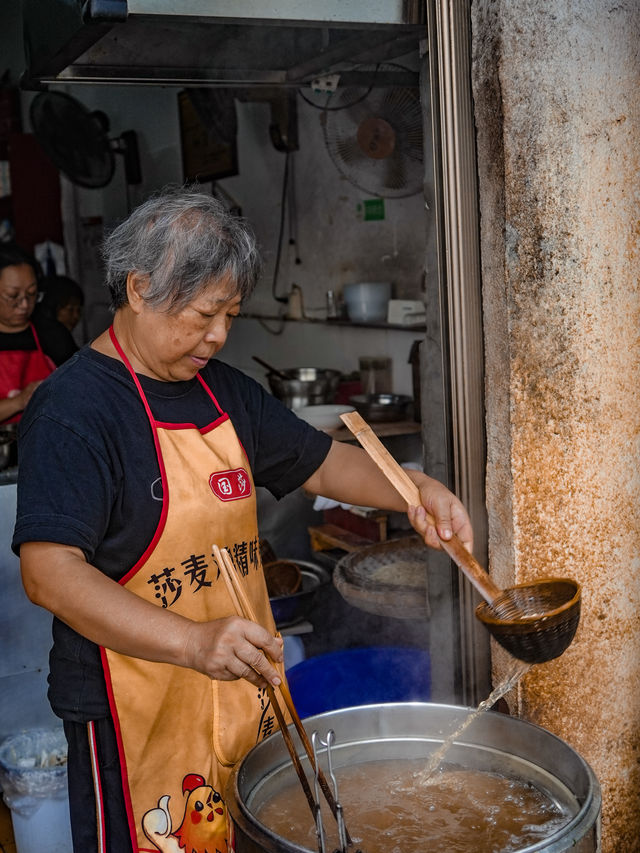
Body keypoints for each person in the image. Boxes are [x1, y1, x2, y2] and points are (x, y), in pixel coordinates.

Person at [13, 188, 473, 853]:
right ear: (139, 289)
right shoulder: (72, 410)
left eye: (230, 313)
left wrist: (413, 488)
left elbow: (322, 462)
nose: (221, 334)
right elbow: (49, 573)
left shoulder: (223, 389)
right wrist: (194, 642)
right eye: (205, 313)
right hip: (130, 709)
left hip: (242, 694)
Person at [0, 244, 55, 424]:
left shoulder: (52, 335)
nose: (24, 305)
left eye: (32, 294)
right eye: (12, 295)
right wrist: (19, 401)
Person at [31, 274, 84, 366]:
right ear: (52, 307)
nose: (76, 316)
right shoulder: (58, 337)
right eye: (70, 309)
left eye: (78, 310)